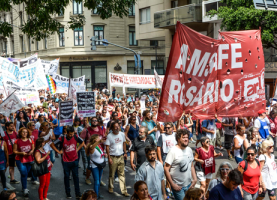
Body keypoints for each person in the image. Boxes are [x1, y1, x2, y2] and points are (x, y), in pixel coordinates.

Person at [51, 126, 84, 199]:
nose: (71, 135)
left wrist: (77, 149)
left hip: (75, 160)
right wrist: (58, 151)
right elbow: (52, 144)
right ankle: (68, 193)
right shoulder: (62, 138)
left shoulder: (75, 136)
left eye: (72, 134)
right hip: (66, 161)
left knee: (76, 177)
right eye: (70, 134)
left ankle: (78, 193)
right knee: (66, 177)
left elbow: (82, 142)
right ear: (66, 133)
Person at [164, 129, 197, 200]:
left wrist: (195, 179)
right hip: (178, 187)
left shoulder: (189, 150)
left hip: (189, 185)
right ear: (178, 139)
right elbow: (166, 169)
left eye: (187, 137)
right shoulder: (173, 151)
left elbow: (191, 165)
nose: (186, 139)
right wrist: (172, 184)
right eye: (183, 137)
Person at [104, 121, 130, 197]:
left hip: (121, 156)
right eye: (115, 127)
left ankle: (124, 191)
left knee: (122, 174)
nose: (117, 128)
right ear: (112, 128)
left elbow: (124, 143)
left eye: (118, 126)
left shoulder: (122, 134)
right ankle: (110, 187)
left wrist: (125, 153)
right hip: (113, 157)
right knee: (112, 174)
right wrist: (109, 158)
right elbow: (107, 147)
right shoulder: (109, 136)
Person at [80, 117, 106, 185]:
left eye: (95, 120)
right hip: (91, 150)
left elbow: (103, 137)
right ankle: (87, 178)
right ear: (91, 122)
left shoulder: (100, 129)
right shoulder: (87, 130)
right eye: (93, 120)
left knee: (101, 165)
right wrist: (86, 147)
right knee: (90, 165)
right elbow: (81, 138)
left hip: (100, 150)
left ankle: (99, 179)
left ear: (97, 122)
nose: (94, 121)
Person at [13, 127, 35, 197]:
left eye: (26, 132)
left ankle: (23, 188)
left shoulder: (30, 140)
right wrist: (21, 153)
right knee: (23, 173)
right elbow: (14, 151)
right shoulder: (17, 141)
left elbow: (33, 147)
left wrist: (32, 151)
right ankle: (25, 189)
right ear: (20, 133)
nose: (24, 133)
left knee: (25, 174)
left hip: (29, 159)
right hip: (20, 159)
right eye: (23, 132)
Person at [86, 134, 106, 199]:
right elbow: (92, 147)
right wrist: (99, 141)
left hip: (100, 165)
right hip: (95, 166)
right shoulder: (92, 146)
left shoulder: (99, 146)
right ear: (95, 139)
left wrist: (104, 155)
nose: (100, 138)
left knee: (99, 181)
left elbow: (99, 154)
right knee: (96, 181)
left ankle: (97, 194)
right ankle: (95, 197)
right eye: (98, 138)